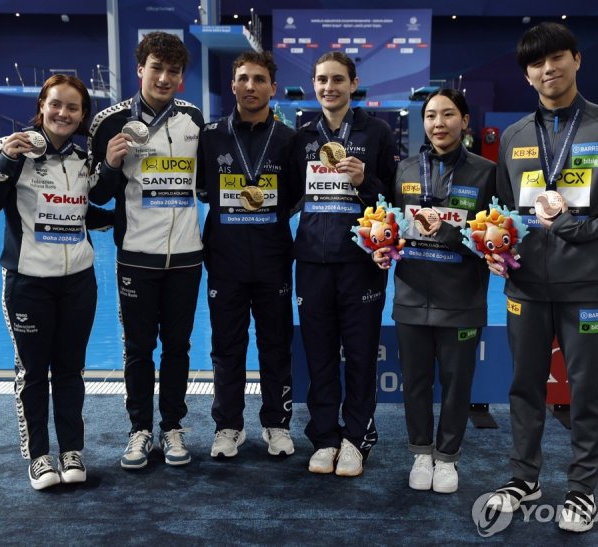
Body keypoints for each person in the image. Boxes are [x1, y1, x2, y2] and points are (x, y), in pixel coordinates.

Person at [486, 22, 598, 532]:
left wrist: (585, 230)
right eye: (536, 63)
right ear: (528, 74)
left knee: (585, 389)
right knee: (524, 386)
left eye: (556, 57)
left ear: (577, 59)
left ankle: (581, 490)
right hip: (526, 287)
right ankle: (524, 477)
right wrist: (495, 245)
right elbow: (502, 211)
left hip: (586, 285)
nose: (547, 69)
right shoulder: (514, 136)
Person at [0, 75, 108, 490]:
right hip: (28, 282)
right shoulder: (12, 147)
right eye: (56, 105)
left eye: (73, 108)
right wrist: (8, 161)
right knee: (32, 371)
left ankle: (71, 451)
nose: (63, 114)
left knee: (70, 370)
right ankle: (40, 457)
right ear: (42, 105)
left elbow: (81, 212)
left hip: (78, 282)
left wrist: (124, 223)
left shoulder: (85, 158)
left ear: (83, 115)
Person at [88, 31, 205, 470]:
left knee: (178, 346)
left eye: (173, 71)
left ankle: (172, 425)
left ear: (181, 77)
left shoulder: (193, 119)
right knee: (138, 348)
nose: (164, 77)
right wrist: (112, 164)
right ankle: (139, 429)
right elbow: (95, 195)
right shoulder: (110, 122)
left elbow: (207, 184)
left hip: (187, 258)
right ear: (140, 69)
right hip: (136, 256)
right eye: (156, 68)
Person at [372, 89, 495, 493]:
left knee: (457, 383)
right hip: (411, 296)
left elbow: (498, 233)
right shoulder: (406, 169)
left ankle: (448, 459)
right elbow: (388, 223)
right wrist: (381, 248)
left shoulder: (485, 172)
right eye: (430, 116)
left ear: (465, 120)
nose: (438, 123)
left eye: (447, 114)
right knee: (417, 381)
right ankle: (421, 454)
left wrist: (450, 231)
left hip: (461, 299)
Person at [291, 52, 396, 477]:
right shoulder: (300, 137)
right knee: (318, 355)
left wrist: (364, 182)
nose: (328, 87)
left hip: (360, 263)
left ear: (353, 84)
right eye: (321, 80)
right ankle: (324, 437)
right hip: (312, 262)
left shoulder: (378, 133)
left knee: (360, 354)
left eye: (337, 79)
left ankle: (356, 438)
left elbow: (393, 199)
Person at [196, 51, 299, 458]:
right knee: (226, 347)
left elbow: (294, 197)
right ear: (233, 85)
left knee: (276, 346)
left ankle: (277, 424)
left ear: (273, 88)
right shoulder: (211, 135)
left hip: (274, 259)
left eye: (259, 79)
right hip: (225, 259)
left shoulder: (291, 140)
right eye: (243, 78)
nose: (251, 86)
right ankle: (228, 426)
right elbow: (204, 190)